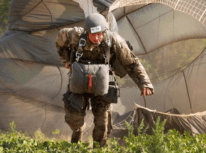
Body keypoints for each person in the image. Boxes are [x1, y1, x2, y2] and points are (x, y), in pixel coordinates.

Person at [55, 13, 154, 147]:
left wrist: (144, 83)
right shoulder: (74, 35)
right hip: (78, 82)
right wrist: (66, 60)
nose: (97, 38)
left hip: (102, 83)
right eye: (94, 34)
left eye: (100, 34)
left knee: (102, 123)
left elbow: (131, 63)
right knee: (74, 120)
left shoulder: (113, 40)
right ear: (87, 32)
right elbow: (59, 42)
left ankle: (99, 148)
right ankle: (76, 139)